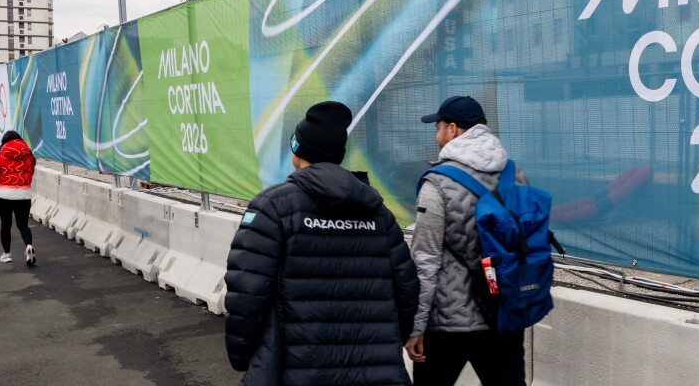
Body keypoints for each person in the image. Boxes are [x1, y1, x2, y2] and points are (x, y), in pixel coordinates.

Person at [224, 100, 420, 385]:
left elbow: (247, 292)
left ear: (296, 149)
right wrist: (388, 341)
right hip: (375, 369)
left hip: (299, 368)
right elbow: (406, 287)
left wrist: (243, 355)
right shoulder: (378, 212)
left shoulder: (272, 208)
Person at [407, 95, 528, 386]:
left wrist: (415, 327)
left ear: (452, 129)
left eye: (437, 128)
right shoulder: (515, 175)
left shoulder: (437, 183)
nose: (437, 137)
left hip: (449, 323)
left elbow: (425, 262)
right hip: (504, 314)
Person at [0, 129, 37, 266]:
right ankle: (28, 246)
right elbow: (31, 173)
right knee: (23, 224)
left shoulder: (1, 155)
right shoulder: (29, 156)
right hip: (23, 194)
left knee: (6, 224)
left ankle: (7, 254)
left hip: (5, 194)